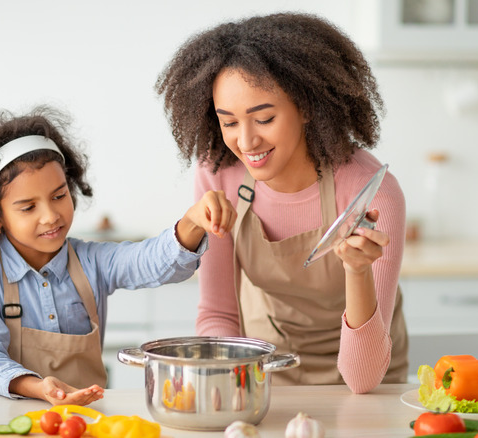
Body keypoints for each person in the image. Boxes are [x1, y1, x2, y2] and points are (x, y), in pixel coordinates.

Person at [156, 12, 408, 393]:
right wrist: (226, 384)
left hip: (367, 375)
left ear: (306, 107)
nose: (246, 141)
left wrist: (357, 272)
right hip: (264, 367)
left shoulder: (371, 194)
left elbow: (363, 378)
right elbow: (218, 312)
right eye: (229, 123)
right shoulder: (219, 175)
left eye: (265, 118)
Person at [0, 106, 235, 405]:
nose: (51, 216)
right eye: (28, 207)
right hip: (10, 421)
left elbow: (149, 260)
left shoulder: (91, 260)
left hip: (86, 421)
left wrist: (193, 221)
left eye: (59, 196)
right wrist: (40, 388)